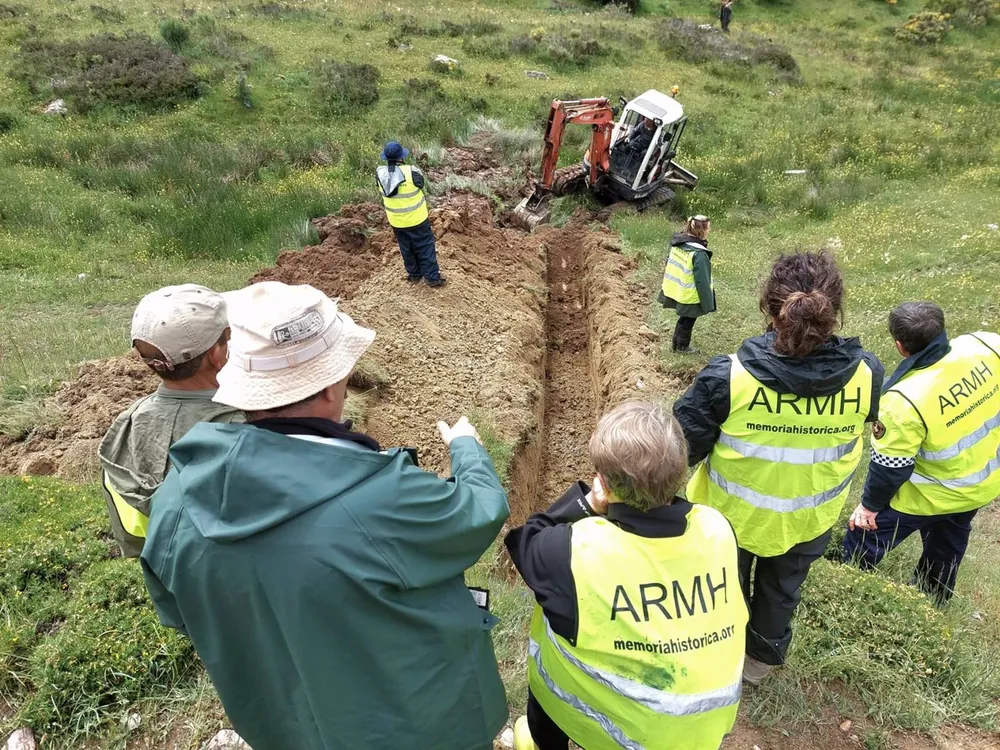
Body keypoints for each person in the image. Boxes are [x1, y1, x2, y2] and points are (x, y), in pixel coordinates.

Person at [140, 281, 510, 750]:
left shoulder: (174, 501)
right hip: (410, 727)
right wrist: (467, 450)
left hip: (283, 726)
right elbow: (477, 512)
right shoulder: (383, 496)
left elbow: (180, 613)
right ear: (334, 384)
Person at [674, 251, 884, 685]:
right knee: (782, 591)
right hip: (808, 519)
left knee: (722, 587)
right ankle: (759, 664)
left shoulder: (727, 378)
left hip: (727, 519)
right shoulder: (867, 374)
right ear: (833, 313)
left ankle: (720, 654)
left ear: (770, 309)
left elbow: (683, 448)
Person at [506, 402, 747, 750]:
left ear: (604, 483)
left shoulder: (575, 550)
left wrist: (588, 504)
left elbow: (526, 539)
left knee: (551, 646)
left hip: (619, 733)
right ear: (679, 473)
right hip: (705, 728)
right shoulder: (717, 529)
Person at [843, 302, 1000, 602]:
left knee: (863, 536)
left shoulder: (903, 401)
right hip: (980, 485)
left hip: (928, 495)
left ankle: (846, 592)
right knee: (947, 544)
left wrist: (869, 507)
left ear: (900, 347)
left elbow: (890, 469)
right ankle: (934, 599)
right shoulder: (985, 344)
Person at [99, 284, 244, 558]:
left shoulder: (124, 428)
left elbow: (131, 534)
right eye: (227, 336)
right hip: (231, 573)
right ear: (216, 354)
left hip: (162, 568)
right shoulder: (241, 428)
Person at [377, 140, 445, 287]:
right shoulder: (411, 171)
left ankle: (414, 275)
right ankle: (432, 278)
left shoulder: (380, 174)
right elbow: (421, 184)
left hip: (396, 222)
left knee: (406, 248)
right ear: (401, 157)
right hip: (417, 219)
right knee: (425, 247)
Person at [658, 215, 715, 354]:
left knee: (684, 318)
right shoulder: (699, 254)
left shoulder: (679, 244)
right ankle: (682, 346)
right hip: (690, 294)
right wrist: (708, 302)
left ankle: (676, 343)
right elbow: (702, 281)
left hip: (678, 289)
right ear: (701, 230)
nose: (709, 230)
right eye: (708, 228)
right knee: (689, 319)